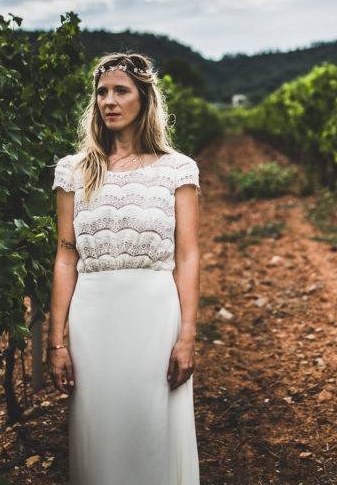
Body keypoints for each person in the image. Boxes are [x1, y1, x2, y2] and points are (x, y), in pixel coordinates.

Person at [48, 52, 201, 484]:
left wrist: (187, 335)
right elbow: (65, 255)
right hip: (92, 318)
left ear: (143, 99)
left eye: (121, 91)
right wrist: (56, 341)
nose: (109, 101)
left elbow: (188, 255)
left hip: (155, 314)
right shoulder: (74, 171)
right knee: (100, 430)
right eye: (101, 92)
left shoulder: (177, 169)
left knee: (152, 425)